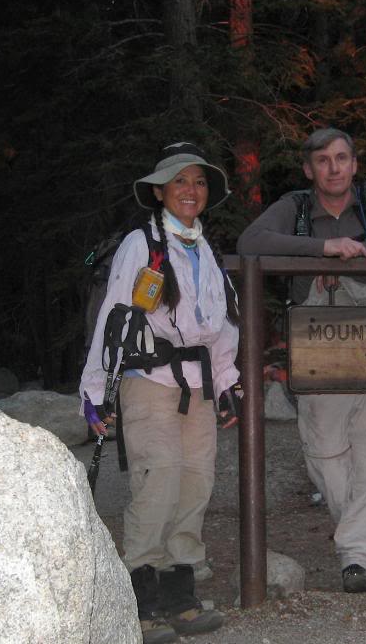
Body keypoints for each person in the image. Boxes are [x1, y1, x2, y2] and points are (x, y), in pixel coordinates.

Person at [237, 127, 366, 592]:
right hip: (318, 346)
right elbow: (250, 242)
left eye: (342, 158)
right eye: (323, 160)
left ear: (355, 163)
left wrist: (359, 257)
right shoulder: (295, 207)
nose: (334, 168)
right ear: (309, 169)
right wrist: (321, 251)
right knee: (324, 451)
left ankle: (357, 557)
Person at [80, 142, 243, 643]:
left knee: (195, 482)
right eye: (179, 181)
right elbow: (114, 317)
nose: (190, 190)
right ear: (159, 191)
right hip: (147, 381)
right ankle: (141, 598)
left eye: (198, 181)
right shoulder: (141, 245)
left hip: (198, 386)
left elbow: (222, 326)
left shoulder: (205, 249)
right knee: (158, 482)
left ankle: (181, 595)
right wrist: (93, 392)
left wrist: (227, 385)